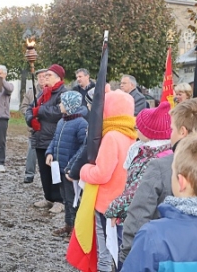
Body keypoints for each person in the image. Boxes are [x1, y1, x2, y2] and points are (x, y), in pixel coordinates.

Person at [119, 98, 197, 263]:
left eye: (171, 129)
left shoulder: (162, 166)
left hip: (159, 252)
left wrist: (127, 257)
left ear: (182, 131)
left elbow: (137, 217)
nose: (170, 135)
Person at [104, 101, 172, 270]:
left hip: (144, 224)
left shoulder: (152, 159)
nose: (135, 129)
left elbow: (135, 193)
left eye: (138, 127)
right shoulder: (146, 150)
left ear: (149, 133)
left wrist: (113, 208)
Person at [80, 89, 137, 272]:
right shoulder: (132, 135)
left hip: (106, 205)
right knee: (121, 247)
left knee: (105, 251)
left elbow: (101, 173)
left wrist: (84, 170)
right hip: (125, 204)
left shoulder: (111, 136)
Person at [45, 91, 88, 239]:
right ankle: (68, 225)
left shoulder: (81, 123)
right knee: (65, 198)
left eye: (62, 102)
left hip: (70, 170)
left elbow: (84, 146)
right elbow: (55, 139)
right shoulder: (62, 121)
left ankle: (76, 230)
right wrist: (50, 152)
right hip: (60, 167)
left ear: (70, 105)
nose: (59, 105)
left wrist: (72, 165)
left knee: (73, 199)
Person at [25, 64, 67, 214]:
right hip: (40, 136)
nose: (45, 77)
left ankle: (59, 200)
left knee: (54, 170)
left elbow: (59, 112)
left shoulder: (63, 93)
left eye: (49, 75)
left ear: (58, 77)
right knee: (43, 171)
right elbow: (30, 108)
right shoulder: (42, 93)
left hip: (54, 138)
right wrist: (31, 119)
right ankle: (48, 197)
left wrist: (40, 111)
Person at [20, 69, 47, 183]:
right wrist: (31, 117)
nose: (41, 78)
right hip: (34, 128)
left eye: (43, 76)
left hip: (47, 128)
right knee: (32, 150)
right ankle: (29, 174)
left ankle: (46, 176)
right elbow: (24, 107)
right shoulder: (31, 92)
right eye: (39, 77)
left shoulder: (51, 90)